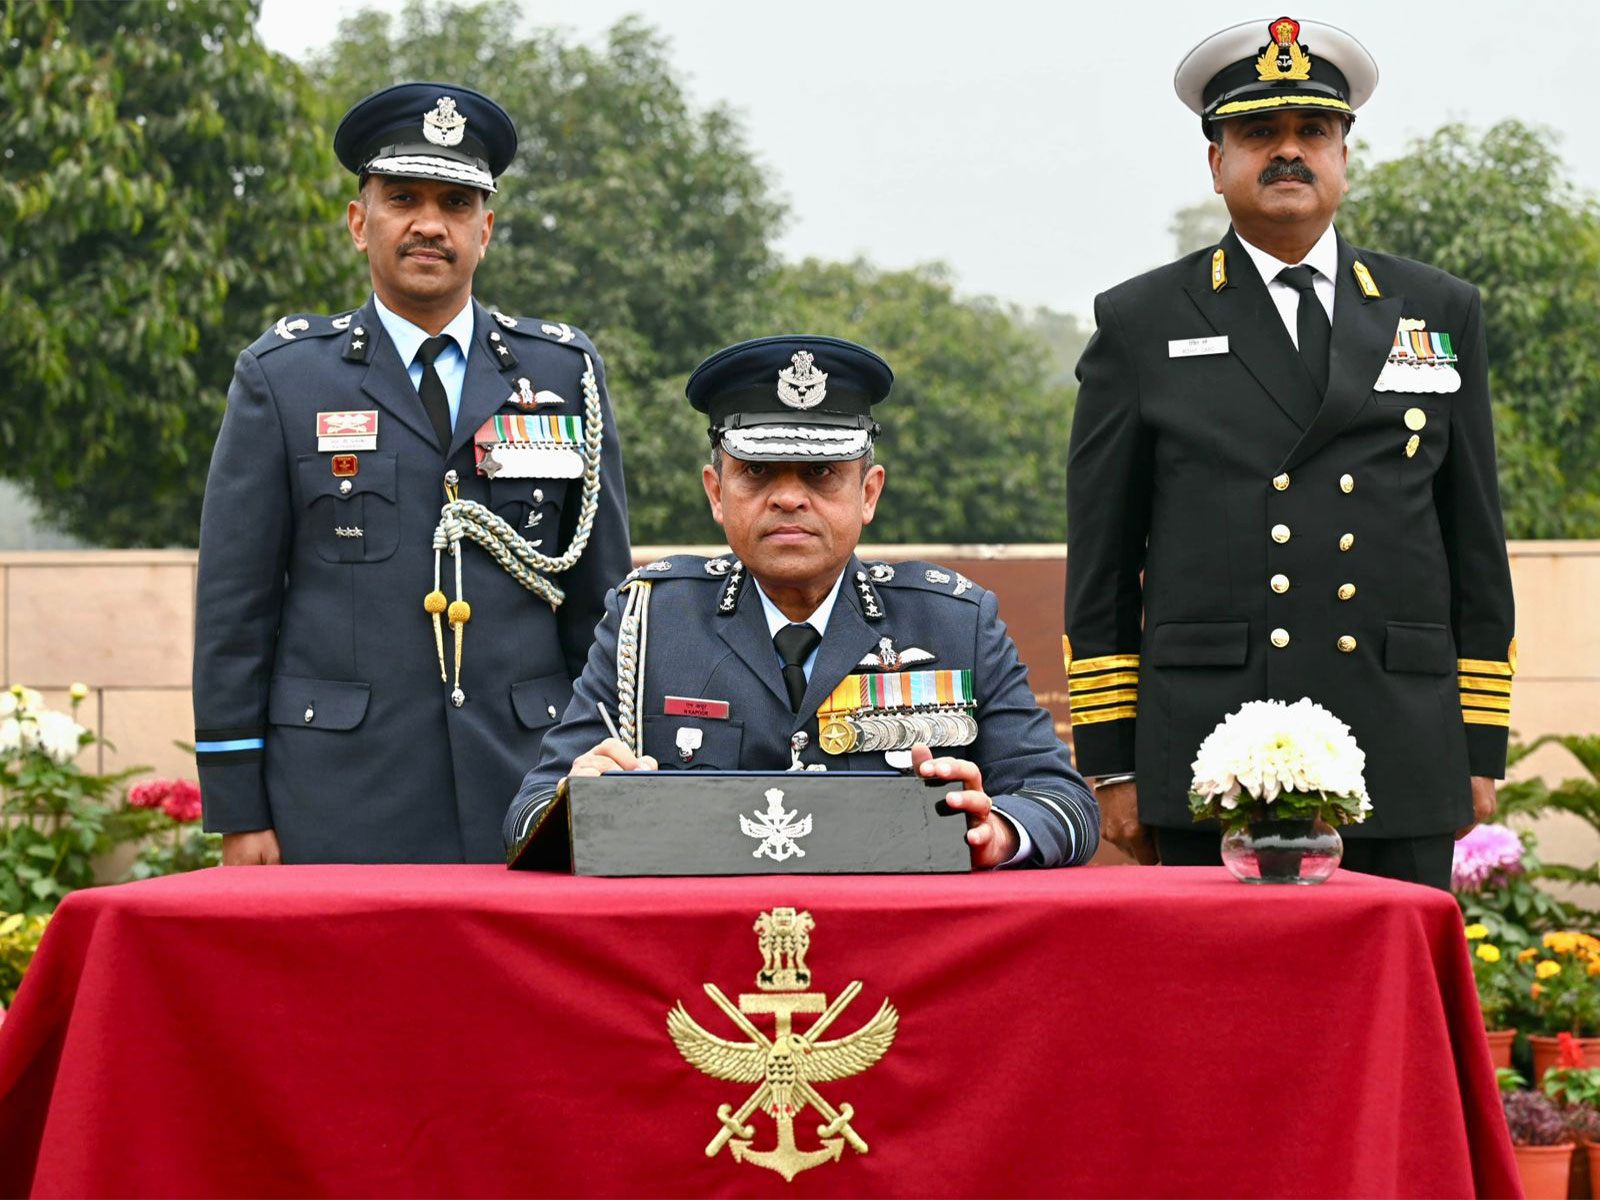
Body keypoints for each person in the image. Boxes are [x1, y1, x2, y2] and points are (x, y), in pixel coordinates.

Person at [1064, 17, 1516, 889]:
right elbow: (1104, 565)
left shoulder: (1436, 310)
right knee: (1219, 979)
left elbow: (1474, 542)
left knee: (1385, 972)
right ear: (1217, 162)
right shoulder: (1142, 321)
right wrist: (1114, 765)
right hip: (1211, 750)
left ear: (1344, 156)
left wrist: (1478, 741)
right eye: (1258, 133)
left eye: (1313, 131)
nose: (1288, 152)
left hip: (1400, 739)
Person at [193, 82, 631, 864]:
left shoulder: (563, 372)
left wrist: (608, 770)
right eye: (403, 199)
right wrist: (238, 808)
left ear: (484, 231)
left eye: (456, 204)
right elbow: (236, 611)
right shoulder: (283, 377)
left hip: (529, 779)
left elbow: (602, 604)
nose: (430, 223)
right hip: (336, 793)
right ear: (359, 223)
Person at [506, 335, 1098, 869]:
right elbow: (528, 814)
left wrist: (998, 831)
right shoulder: (648, 622)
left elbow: (1063, 802)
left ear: (868, 494)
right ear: (717, 493)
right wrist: (578, 803)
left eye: (820, 472)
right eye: (756, 471)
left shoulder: (954, 622)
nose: (788, 498)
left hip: (890, 939)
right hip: (706, 939)